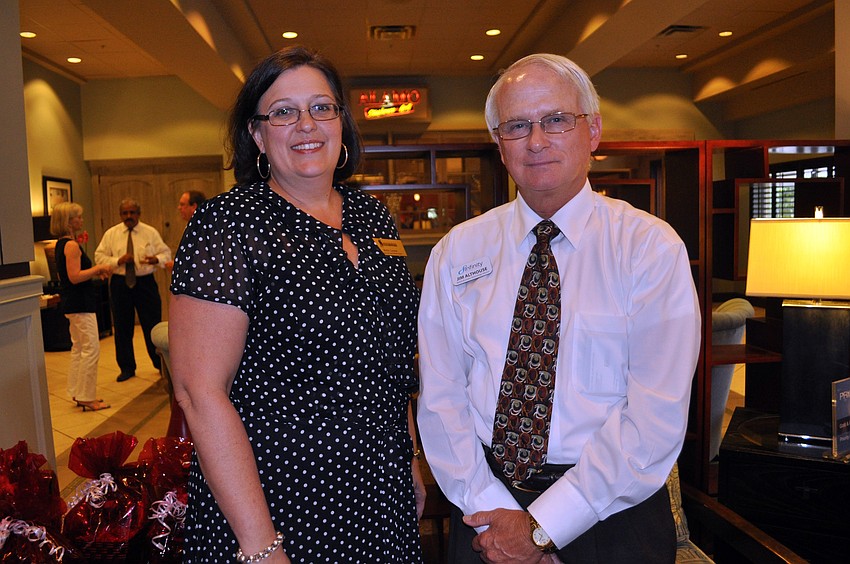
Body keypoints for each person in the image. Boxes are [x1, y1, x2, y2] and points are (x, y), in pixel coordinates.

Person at [417, 53, 701, 564]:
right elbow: (441, 400)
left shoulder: (650, 249)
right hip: (485, 513)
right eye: (517, 125)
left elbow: (653, 418)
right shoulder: (457, 252)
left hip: (612, 518)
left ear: (592, 131)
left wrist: (543, 529)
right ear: (499, 146)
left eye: (556, 120)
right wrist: (496, 517)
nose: (537, 140)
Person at [168, 46, 425, 564]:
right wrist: (261, 545)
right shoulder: (228, 225)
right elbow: (199, 393)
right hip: (278, 502)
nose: (306, 124)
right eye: (283, 112)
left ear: (342, 123)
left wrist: (412, 456)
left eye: (321, 107)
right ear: (257, 135)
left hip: (381, 492)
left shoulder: (372, 217)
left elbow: (391, 359)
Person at [95, 198, 171, 382]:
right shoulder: (111, 234)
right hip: (120, 283)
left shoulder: (150, 232)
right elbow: (99, 257)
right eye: (125, 213)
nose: (128, 216)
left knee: (151, 325)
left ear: (139, 213)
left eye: (132, 212)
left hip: (145, 283)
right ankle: (127, 367)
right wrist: (117, 261)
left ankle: (159, 365)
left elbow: (166, 253)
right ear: (120, 214)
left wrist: (156, 260)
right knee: (122, 327)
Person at [51, 202, 112, 411]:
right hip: (80, 303)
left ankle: (77, 392)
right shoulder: (72, 246)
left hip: (72, 302)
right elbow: (74, 277)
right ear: (68, 221)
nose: (81, 220)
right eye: (78, 217)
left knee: (78, 348)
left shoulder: (60, 245)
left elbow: (65, 277)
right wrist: (98, 268)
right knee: (91, 349)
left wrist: (94, 271)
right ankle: (87, 396)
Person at [165, 190, 207, 271]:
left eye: (182, 204)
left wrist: (179, 266)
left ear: (194, 206)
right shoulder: (192, 226)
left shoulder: (202, 228)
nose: (179, 208)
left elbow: (201, 258)